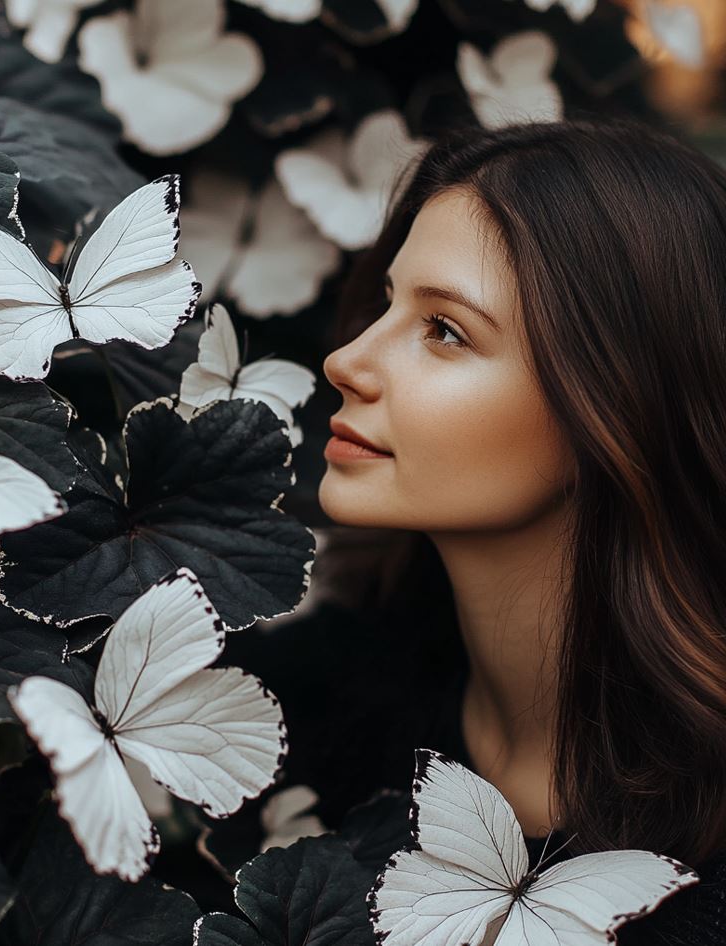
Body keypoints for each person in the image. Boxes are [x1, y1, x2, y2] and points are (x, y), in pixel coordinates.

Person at [227, 116, 726, 944]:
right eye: (388, 302)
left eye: (445, 330)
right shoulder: (314, 716)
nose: (347, 360)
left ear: (616, 410)